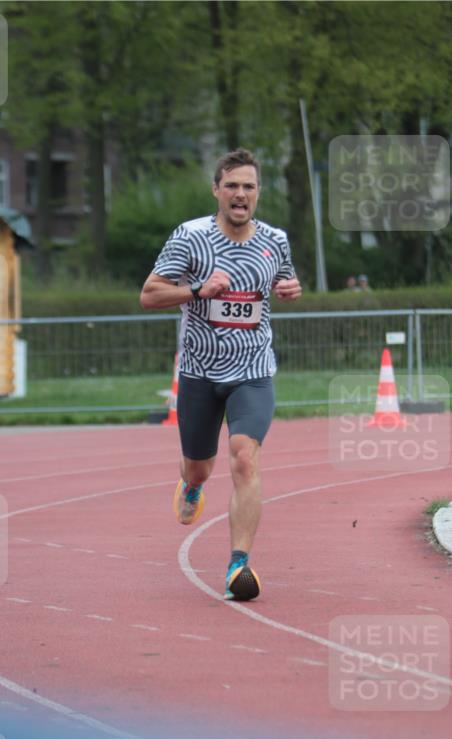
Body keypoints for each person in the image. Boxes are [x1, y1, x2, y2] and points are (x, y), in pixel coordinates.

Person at [140, 148, 302, 601]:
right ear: (216, 190)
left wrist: (290, 289)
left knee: (244, 457)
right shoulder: (190, 238)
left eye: (249, 186)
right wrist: (197, 289)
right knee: (200, 465)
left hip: (252, 368)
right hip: (198, 372)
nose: (240, 194)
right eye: (231, 185)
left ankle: (238, 565)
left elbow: (283, 281)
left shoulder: (275, 240)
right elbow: (149, 295)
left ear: (258, 194)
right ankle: (191, 485)